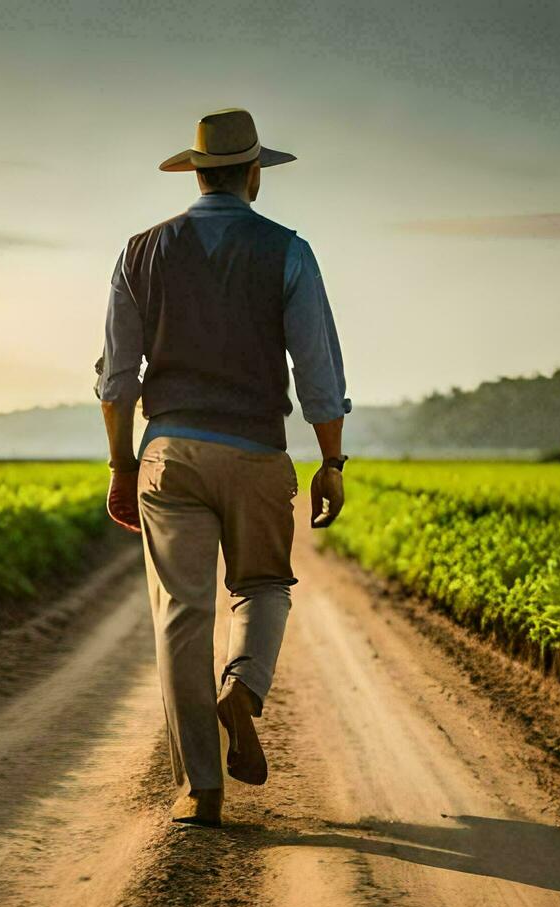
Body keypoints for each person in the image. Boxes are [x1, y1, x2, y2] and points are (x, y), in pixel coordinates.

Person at [94, 107, 351, 829]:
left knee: (180, 615)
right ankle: (244, 686)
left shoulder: (139, 252)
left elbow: (117, 378)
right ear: (254, 174)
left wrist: (121, 465)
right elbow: (318, 372)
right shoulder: (289, 252)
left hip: (170, 454)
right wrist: (331, 461)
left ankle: (200, 787)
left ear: (198, 171)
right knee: (264, 586)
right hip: (257, 451)